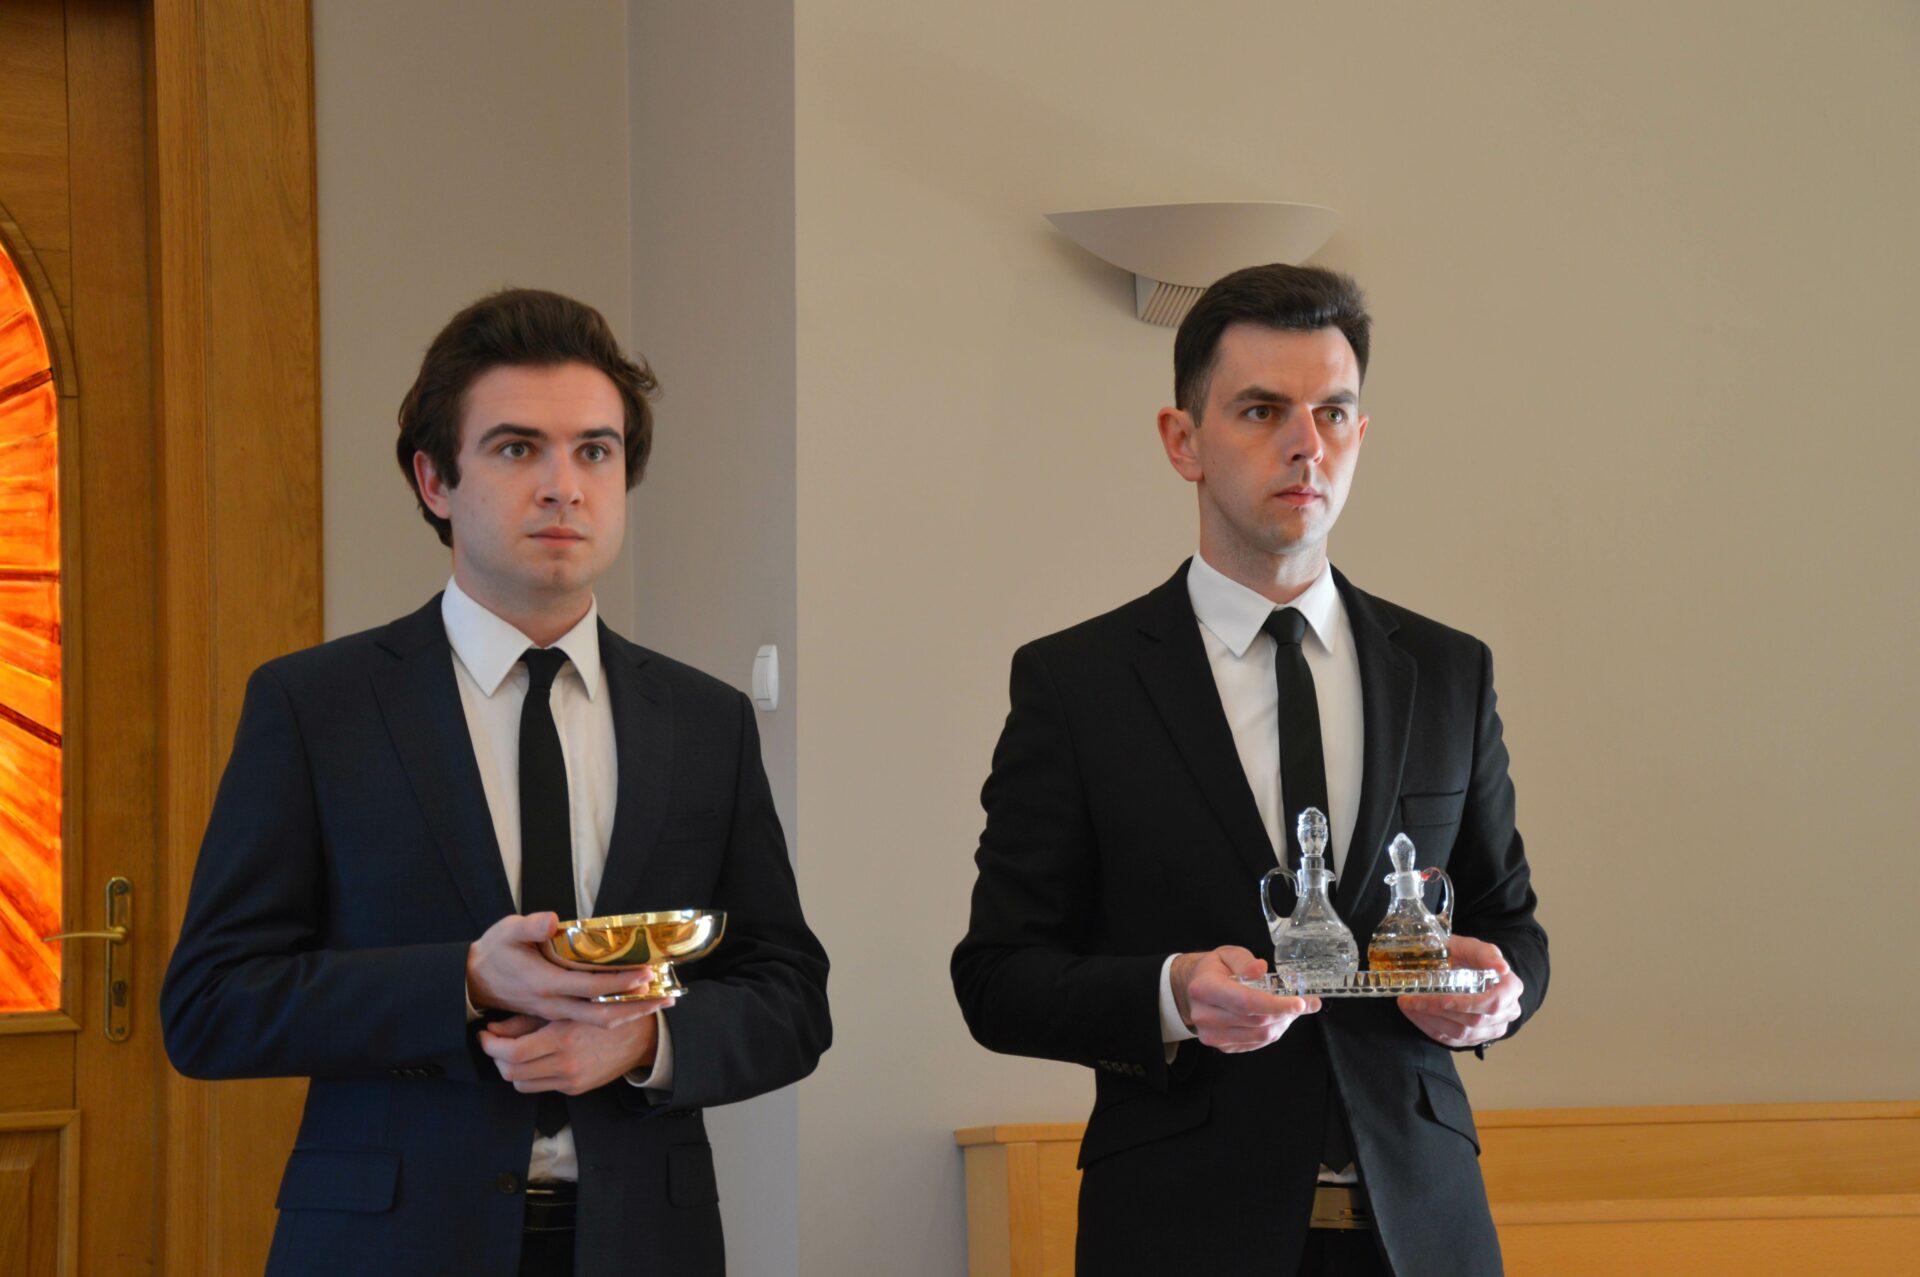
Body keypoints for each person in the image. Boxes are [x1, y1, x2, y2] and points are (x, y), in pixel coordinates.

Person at [161, 288, 830, 1277]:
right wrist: (466, 981)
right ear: (436, 479)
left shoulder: (706, 720)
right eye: (518, 448)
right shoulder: (315, 705)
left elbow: (790, 995)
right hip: (385, 1246)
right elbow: (212, 1003)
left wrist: (647, 1041)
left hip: (647, 1243)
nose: (564, 486)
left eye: (595, 451)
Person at [952, 264, 1546, 1276]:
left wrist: (1500, 994)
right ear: (1183, 440)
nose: (1306, 443)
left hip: (1423, 1230)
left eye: (1333, 412)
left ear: (1361, 434)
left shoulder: (1450, 670)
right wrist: (1175, 992)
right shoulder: (1078, 684)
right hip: (1180, 1231)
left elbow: (1513, 924)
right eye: (1263, 410)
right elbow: (998, 977)